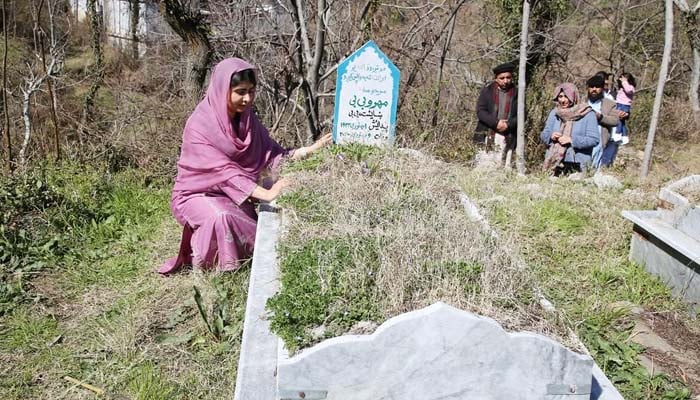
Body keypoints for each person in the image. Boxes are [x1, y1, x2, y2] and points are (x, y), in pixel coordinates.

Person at [159, 58, 332, 274]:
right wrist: (267, 194)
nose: (247, 98)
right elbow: (224, 173)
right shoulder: (200, 125)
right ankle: (209, 262)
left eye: (251, 91)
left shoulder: (248, 121)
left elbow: (272, 155)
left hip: (233, 195)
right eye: (240, 92)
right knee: (223, 218)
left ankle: (255, 255)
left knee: (245, 222)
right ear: (223, 89)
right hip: (197, 195)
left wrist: (309, 150)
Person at [541, 83, 600, 174]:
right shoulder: (555, 113)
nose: (563, 100)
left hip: (578, 164)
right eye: (560, 96)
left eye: (566, 96)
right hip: (553, 164)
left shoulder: (588, 114)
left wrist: (571, 140)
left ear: (574, 96)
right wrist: (551, 136)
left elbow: (594, 139)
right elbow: (544, 134)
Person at [473, 62, 518, 166]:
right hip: (487, 133)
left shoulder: (517, 93)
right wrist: (496, 123)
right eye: (502, 78)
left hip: (508, 134)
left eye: (508, 77)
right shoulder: (487, 91)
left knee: (502, 166)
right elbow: (480, 111)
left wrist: (508, 124)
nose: (505, 81)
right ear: (496, 78)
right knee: (484, 165)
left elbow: (522, 115)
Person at [585, 75, 620, 168]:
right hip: (582, 138)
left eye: (597, 87)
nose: (594, 89)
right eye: (591, 87)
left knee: (595, 165)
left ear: (602, 88)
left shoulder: (609, 104)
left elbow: (615, 120)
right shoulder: (582, 102)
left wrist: (600, 117)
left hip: (599, 139)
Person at [613, 72, 635, 145]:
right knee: (622, 122)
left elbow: (628, 90)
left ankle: (617, 134)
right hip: (619, 104)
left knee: (619, 119)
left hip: (624, 105)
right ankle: (624, 136)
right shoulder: (621, 88)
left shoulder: (630, 87)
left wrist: (624, 82)